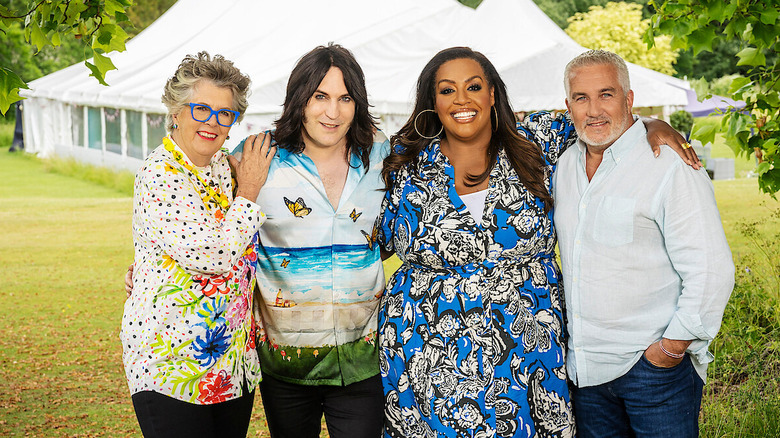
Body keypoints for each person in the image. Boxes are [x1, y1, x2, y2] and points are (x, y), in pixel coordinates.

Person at [377, 46, 697, 438]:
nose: (462, 99)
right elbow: (371, 239)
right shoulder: (405, 161)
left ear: (493, 93)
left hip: (527, 351)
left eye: (473, 86)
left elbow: (598, 115)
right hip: (427, 350)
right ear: (432, 100)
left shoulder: (536, 141)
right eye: (447, 90)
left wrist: (651, 124)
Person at [553, 49, 735, 437]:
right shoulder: (563, 165)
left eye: (606, 94)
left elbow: (711, 269)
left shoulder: (668, 165)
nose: (594, 109)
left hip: (653, 372)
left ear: (629, 98)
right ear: (568, 106)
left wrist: (669, 350)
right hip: (585, 372)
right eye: (581, 98)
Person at [234, 43, 389, 438]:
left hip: (363, 359)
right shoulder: (255, 156)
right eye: (320, 96)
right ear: (299, 98)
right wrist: (151, 266)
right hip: (285, 364)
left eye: (345, 98)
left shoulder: (384, 156)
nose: (332, 112)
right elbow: (206, 218)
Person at [120, 52, 276, 437]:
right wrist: (251, 190)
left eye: (225, 114)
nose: (212, 122)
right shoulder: (159, 174)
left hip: (231, 362)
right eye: (201, 108)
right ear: (176, 111)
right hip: (171, 365)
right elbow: (212, 256)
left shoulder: (225, 167)